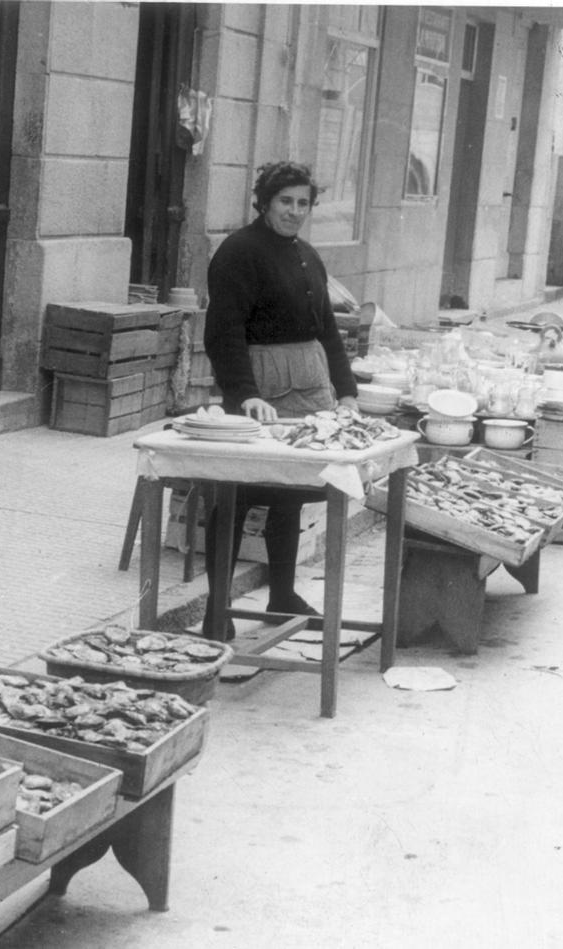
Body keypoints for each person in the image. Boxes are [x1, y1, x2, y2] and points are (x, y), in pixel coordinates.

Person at [201, 161, 359, 639]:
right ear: (264, 202)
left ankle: (282, 595)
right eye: (285, 202)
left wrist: (347, 391)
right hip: (260, 392)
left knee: (291, 494)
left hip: (309, 390)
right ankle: (216, 611)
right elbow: (222, 332)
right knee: (237, 494)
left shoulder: (308, 254)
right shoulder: (238, 252)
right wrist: (244, 394)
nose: (294, 212)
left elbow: (327, 331)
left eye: (303, 203)